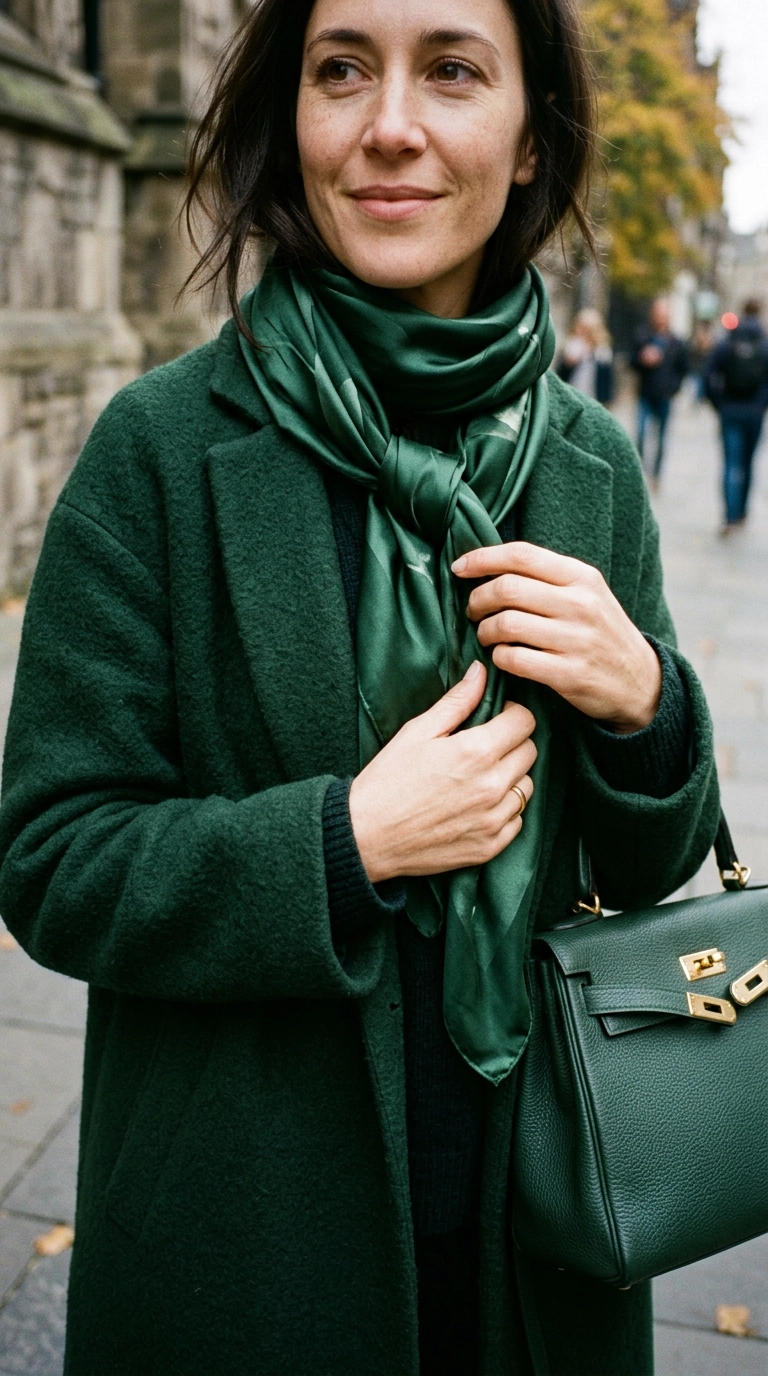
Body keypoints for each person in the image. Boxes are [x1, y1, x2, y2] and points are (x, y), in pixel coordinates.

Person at [0, 2, 720, 1374]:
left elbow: (644, 873)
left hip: (538, 1261)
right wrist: (342, 847)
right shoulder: (159, 450)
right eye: (343, 70)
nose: (391, 124)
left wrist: (648, 710)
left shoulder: (590, 466)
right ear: (294, 122)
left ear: (525, 142)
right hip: (243, 1258)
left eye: (452, 70)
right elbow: (49, 860)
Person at [704, 299, 768, 532]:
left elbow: (708, 374)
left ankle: (729, 515)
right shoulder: (763, 342)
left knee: (731, 463)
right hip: (754, 413)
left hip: (729, 410)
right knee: (749, 463)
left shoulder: (728, 340)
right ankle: (741, 512)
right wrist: (761, 404)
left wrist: (719, 403)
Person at [631, 296, 689, 485]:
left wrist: (674, 387)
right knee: (640, 433)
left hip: (664, 395)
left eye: (664, 314)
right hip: (645, 394)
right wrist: (642, 359)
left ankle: (656, 475)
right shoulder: (643, 335)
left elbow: (683, 368)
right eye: (658, 314)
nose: (661, 318)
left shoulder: (675, 342)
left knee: (661, 438)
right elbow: (632, 362)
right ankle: (639, 471)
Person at [556, 306, 614, 405]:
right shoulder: (571, 345)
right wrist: (569, 362)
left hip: (593, 395)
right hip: (573, 392)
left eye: (585, 329)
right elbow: (561, 373)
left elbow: (606, 379)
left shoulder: (602, 350)